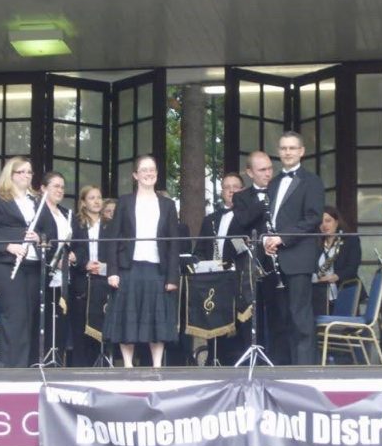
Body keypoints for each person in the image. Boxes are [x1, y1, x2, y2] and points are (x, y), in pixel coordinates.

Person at [105, 155, 179, 368]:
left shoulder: (167, 205)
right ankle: (128, 365)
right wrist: (112, 271)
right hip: (129, 267)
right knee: (127, 318)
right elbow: (113, 239)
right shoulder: (125, 202)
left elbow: (174, 244)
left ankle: (157, 366)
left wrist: (172, 276)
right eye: (144, 170)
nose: (149, 173)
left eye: (152, 169)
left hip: (157, 268)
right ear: (135, 175)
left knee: (157, 319)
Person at [0, 156, 43, 368]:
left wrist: (39, 238)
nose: (26, 176)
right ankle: (14, 370)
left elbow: (45, 230)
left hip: (31, 263)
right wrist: (8, 246)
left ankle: (28, 367)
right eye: (20, 172)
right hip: (4, 263)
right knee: (15, 315)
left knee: (30, 316)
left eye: (29, 172)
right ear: (10, 175)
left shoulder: (36, 201)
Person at [264, 132, 325, 365]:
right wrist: (267, 240)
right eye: (283, 148)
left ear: (301, 151)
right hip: (276, 259)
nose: (287, 152)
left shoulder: (312, 181)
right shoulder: (275, 182)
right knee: (281, 318)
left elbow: (313, 218)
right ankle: (283, 369)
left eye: (292, 148)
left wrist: (282, 238)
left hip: (298, 257)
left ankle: (304, 370)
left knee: (300, 316)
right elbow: (269, 218)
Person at [193, 173, 249, 364]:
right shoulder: (210, 220)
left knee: (239, 325)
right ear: (222, 192)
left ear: (243, 190)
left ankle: (237, 362)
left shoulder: (248, 216)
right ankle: (214, 359)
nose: (232, 190)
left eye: (236, 187)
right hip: (214, 281)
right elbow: (199, 250)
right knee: (213, 321)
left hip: (238, 279)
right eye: (227, 187)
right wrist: (204, 264)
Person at [229, 151, 278, 361]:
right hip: (254, 262)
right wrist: (265, 201)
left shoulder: (281, 190)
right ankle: (254, 357)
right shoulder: (241, 197)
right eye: (262, 170)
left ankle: (279, 358)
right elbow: (243, 221)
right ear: (249, 172)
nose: (268, 174)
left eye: (270, 169)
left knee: (279, 312)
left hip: (280, 259)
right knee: (253, 312)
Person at [36, 171, 74, 366]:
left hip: (65, 275)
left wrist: (73, 255)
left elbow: (74, 242)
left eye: (62, 186)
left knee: (60, 319)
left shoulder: (67, 213)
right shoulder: (37, 211)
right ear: (43, 188)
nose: (60, 190)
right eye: (55, 186)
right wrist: (54, 259)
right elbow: (37, 240)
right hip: (44, 272)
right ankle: (41, 359)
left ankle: (58, 359)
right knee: (45, 318)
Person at [70, 184, 107, 367]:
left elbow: (116, 250)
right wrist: (84, 264)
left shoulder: (110, 224)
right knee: (80, 327)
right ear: (83, 203)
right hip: (82, 281)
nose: (97, 201)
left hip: (103, 280)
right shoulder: (75, 223)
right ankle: (79, 367)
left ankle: (102, 365)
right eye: (92, 198)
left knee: (102, 325)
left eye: (99, 197)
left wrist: (104, 265)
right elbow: (72, 250)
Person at [311, 205, 362, 315]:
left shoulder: (351, 240)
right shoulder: (315, 244)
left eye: (328, 221)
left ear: (337, 222)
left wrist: (334, 277)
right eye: (321, 222)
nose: (324, 225)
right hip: (319, 296)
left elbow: (352, 268)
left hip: (343, 293)